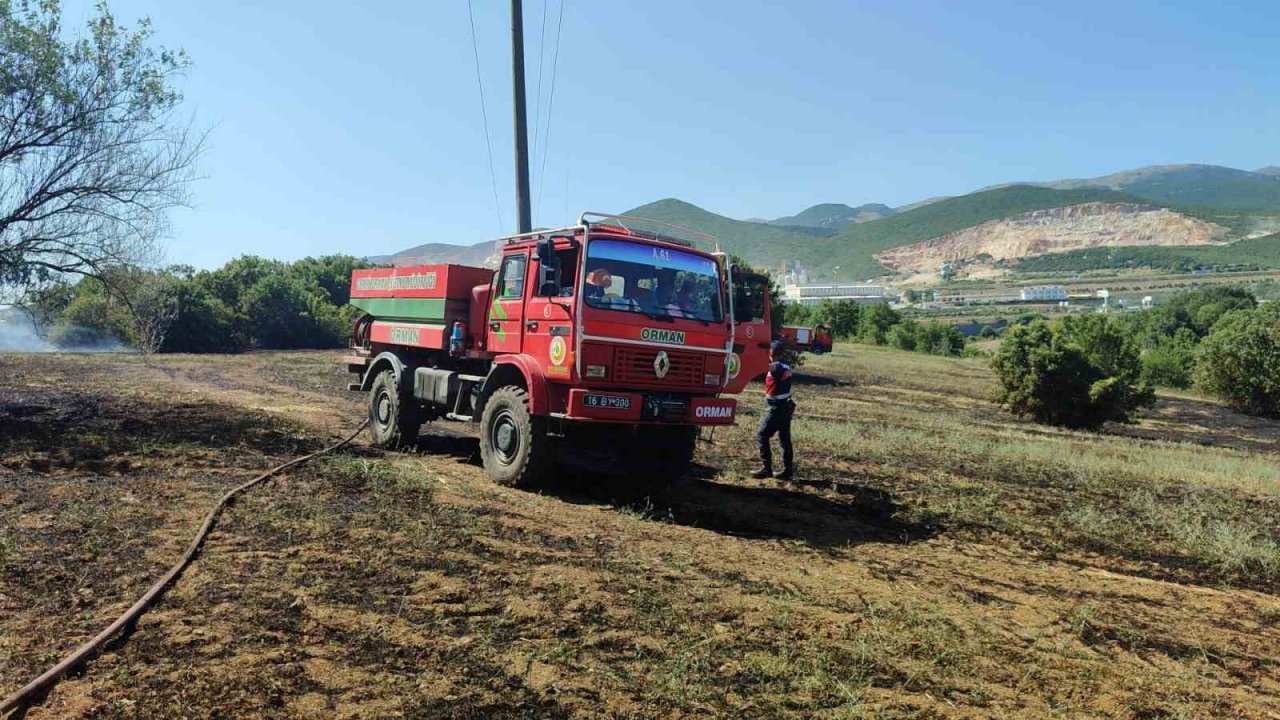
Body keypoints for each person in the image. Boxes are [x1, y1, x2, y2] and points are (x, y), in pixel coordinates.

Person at [753, 340, 795, 481]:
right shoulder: (786, 365)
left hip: (777, 409)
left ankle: (767, 469)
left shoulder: (777, 367)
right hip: (786, 407)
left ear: (771, 352)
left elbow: (762, 367)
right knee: (785, 440)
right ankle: (788, 470)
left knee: (762, 435)